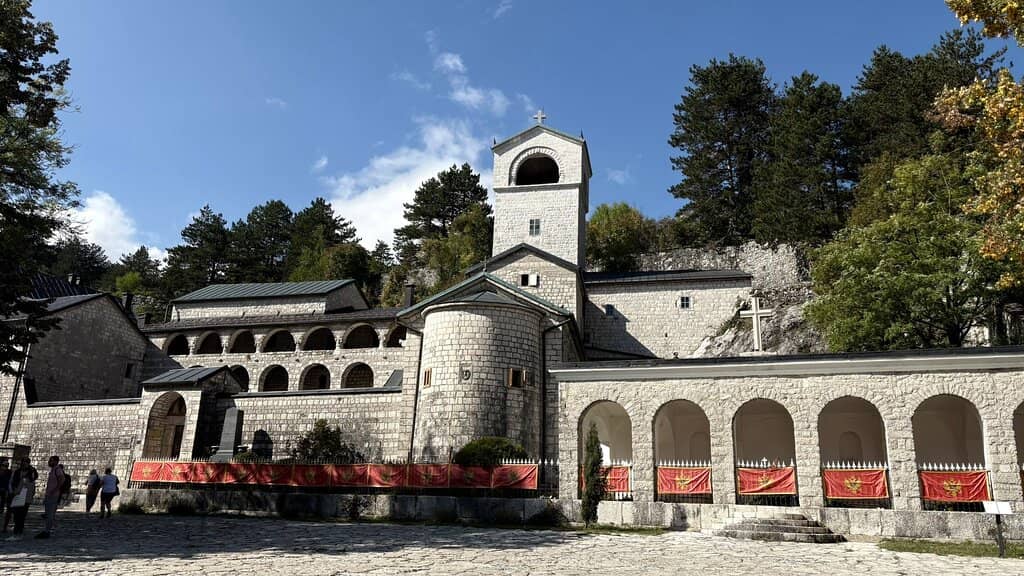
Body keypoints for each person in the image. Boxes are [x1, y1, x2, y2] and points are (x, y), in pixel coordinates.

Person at [35, 455, 63, 539]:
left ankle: (47, 531)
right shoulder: (54, 470)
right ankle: (48, 529)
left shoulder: (58, 470)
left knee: (50, 514)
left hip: (53, 495)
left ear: (55, 461)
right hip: (50, 494)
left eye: (51, 460)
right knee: (48, 513)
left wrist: (55, 490)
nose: (49, 462)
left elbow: (62, 479)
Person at [6, 463, 35, 540]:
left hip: (20, 500)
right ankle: (20, 533)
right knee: (22, 517)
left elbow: (19, 490)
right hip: (27, 501)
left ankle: (16, 534)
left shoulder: (24, 480)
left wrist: (13, 493)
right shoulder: (32, 481)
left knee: (17, 517)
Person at [0, 459, 10, 532]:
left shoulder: (9, 473)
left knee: (2, 508)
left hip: (4, 492)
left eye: (6, 466)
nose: (5, 467)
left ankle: (4, 527)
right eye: (3, 465)